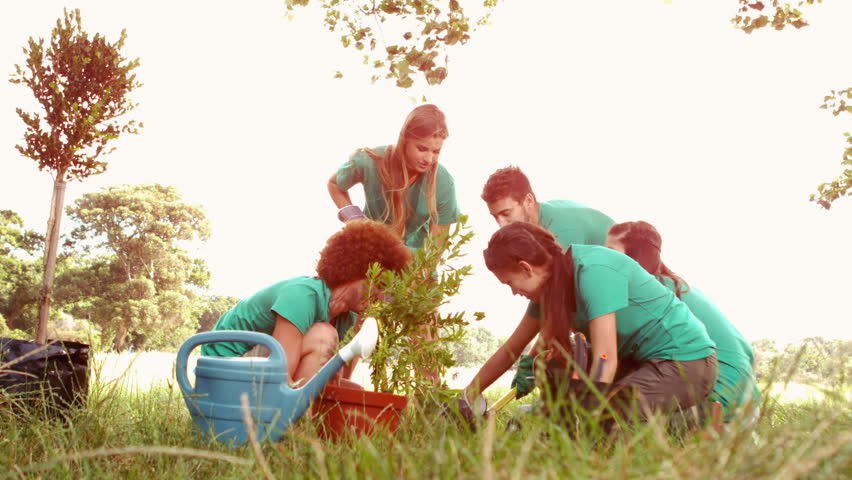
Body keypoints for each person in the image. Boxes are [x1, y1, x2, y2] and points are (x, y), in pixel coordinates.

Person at [463, 222, 718, 421]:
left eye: (510, 282)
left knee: (607, 417)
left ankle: (693, 419)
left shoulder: (593, 271)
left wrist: (590, 418)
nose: (513, 292)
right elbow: (511, 349)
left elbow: (605, 359)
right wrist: (467, 397)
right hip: (640, 364)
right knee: (552, 364)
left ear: (526, 268)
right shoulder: (549, 291)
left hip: (686, 363)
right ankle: (661, 411)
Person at [201, 220, 411, 389]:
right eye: (379, 284)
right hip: (224, 370)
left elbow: (328, 377)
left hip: (255, 367)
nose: (382, 297)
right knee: (322, 336)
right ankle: (294, 430)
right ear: (357, 271)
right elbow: (281, 375)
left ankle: (311, 430)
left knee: (353, 391)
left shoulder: (346, 316)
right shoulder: (303, 295)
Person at [605, 221, 761, 422]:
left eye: (610, 251)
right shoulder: (682, 288)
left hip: (716, 408)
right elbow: (746, 351)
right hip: (749, 406)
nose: (604, 259)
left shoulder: (647, 296)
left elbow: (609, 356)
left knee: (609, 422)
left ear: (634, 257)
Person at [480, 166, 615, 398]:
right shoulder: (537, 231)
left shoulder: (560, 236)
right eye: (495, 217)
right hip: (597, 303)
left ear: (528, 201)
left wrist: (532, 357)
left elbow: (545, 316)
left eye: (506, 213)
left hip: (624, 307)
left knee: (555, 357)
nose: (501, 224)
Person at [327, 104, 460, 250]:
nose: (428, 159)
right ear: (405, 140)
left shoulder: (444, 183)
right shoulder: (370, 161)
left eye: (436, 151)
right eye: (421, 149)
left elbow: (434, 252)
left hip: (413, 260)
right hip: (368, 250)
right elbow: (334, 184)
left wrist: (423, 270)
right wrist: (354, 220)